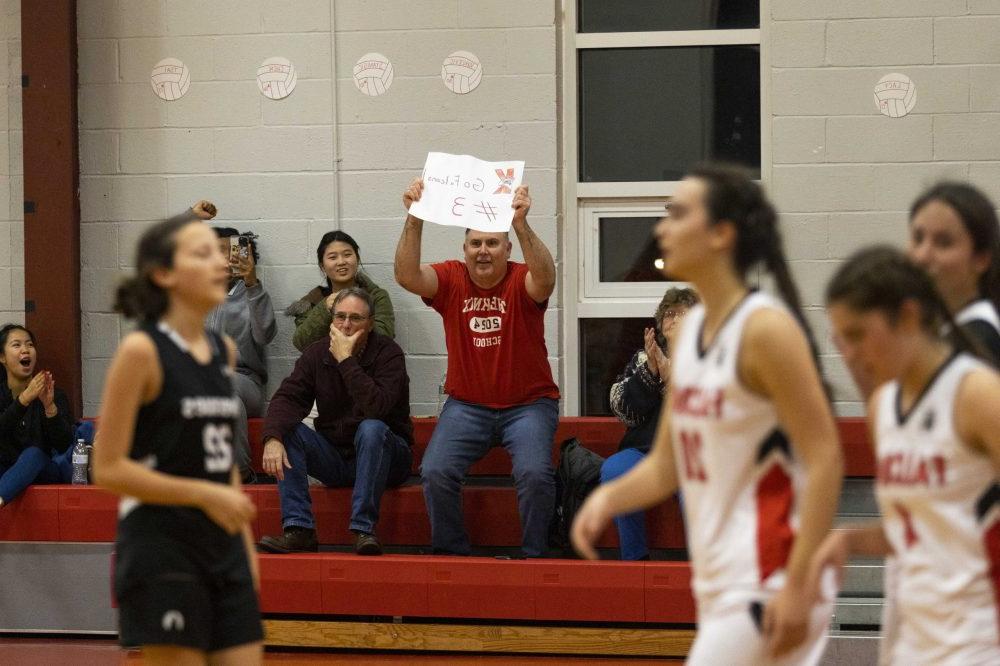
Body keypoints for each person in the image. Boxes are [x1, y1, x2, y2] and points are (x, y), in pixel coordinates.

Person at [571, 164, 843, 664]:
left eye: (679, 216)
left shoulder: (765, 331)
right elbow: (668, 459)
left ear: (721, 235)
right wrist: (608, 500)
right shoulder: (689, 353)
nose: (662, 230)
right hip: (725, 582)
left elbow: (823, 458)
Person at [813, 246, 1000, 665]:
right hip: (912, 637)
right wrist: (848, 539)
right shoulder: (883, 407)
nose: (851, 354)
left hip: (978, 640)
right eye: (843, 339)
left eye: (859, 334)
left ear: (910, 317)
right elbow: (914, 529)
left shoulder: (978, 395)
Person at [92, 212, 262, 664]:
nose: (220, 263)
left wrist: (245, 552)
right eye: (202, 253)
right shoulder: (141, 351)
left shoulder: (222, 351)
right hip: (162, 548)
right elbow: (106, 468)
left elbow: (222, 461)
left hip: (222, 549)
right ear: (164, 274)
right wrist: (201, 494)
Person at [395, 179, 559, 558]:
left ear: (507, 249)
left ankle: (535, 558)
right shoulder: (452, 277)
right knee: (434, 472)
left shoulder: (522, 279)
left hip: (528, 406)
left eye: (492, 243)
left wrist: (520, 223)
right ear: (464, 249)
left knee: (535, 475)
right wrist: (415, 217)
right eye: (475, 243)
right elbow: (406, 275)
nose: (483, 251)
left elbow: (547, 279)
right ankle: (452, 556)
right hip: (468, 406)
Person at [258, 288, 413, 556]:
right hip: (337, 457)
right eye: (340, 317)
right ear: (331, 320)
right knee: (288, 430)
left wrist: (346, 360)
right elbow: (287, 398)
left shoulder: (389, 354)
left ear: (371, 323)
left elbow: (376, 407)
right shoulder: (316, 354)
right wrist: (273, 437)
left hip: (388, 457)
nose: (346, 325)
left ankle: (364, 529)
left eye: (355, 318)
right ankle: (299, 529)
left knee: (371, 427)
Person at [601, 287, 698, 561]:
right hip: (645, 451)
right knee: (614, 471)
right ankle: (634, 559)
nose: (675, 320)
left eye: (683, 314)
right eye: (669, 314)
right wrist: (651, 373)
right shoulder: (645, 358)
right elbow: (624, 412)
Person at [203, 214, 277, 483]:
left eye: (229, 252)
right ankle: (241, 474)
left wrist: (252, 284)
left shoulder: (253, 295)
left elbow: (265, 334)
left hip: (245, 381)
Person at [907, 181, 1000, 365]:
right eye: (918, 239)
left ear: (981, 259)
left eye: (944, 242)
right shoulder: (942, 330)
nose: (922, 256)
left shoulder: (979, 342)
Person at [0, 324, 74, 508]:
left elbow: (64, 445)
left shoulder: (54, 395)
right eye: (16, 345)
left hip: (44, 471)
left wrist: (49, 407)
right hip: (5, 469)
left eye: (29, 344)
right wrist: (24, 400)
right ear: (2, 357)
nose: (25, 349)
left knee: (33, 454)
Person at [286, 230, 395, 351]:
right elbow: (301, 344)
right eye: (333, 257)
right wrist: (324, 310)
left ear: (357, 259)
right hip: (323, 368)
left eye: (347, 255)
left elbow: (385, 338)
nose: (341, 262)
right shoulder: (311, 302)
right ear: (322, 266)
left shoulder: (376, 296)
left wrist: (357, 310)